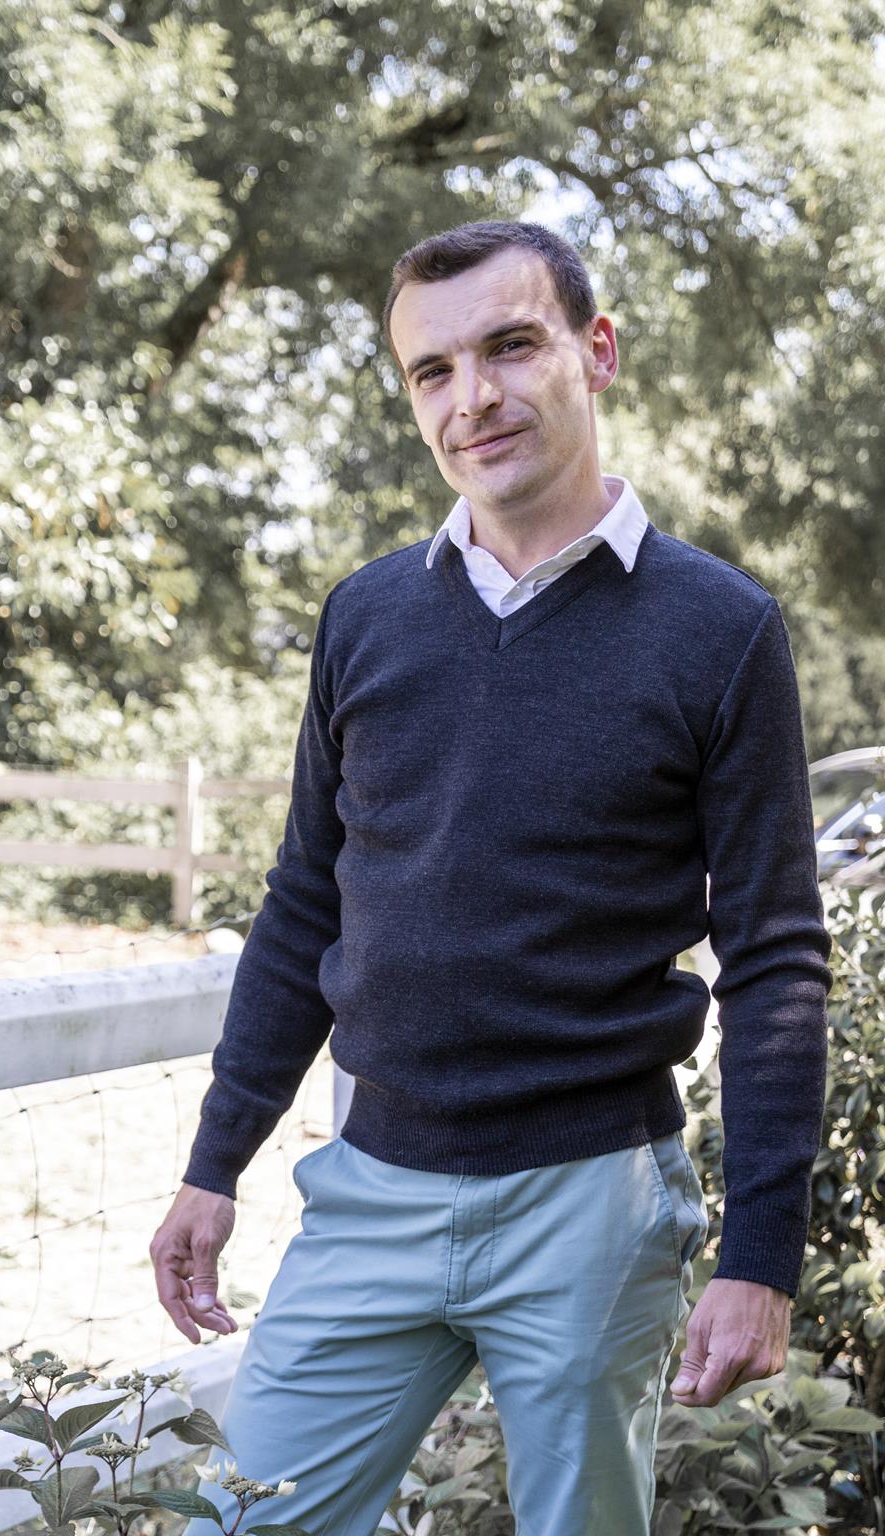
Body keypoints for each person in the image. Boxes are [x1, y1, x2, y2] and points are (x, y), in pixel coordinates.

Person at [149, 220, 833, 1536]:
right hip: (371, 1188)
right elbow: (304, 904)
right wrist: (216, 1160)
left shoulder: (721, 630)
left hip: (593, 1201)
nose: (473, 397)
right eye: (433, 370)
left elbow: (776, 956)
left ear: (597, 350)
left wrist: (763, 1256)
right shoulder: (366, 616)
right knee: (244, 1519)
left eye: (511, 347)